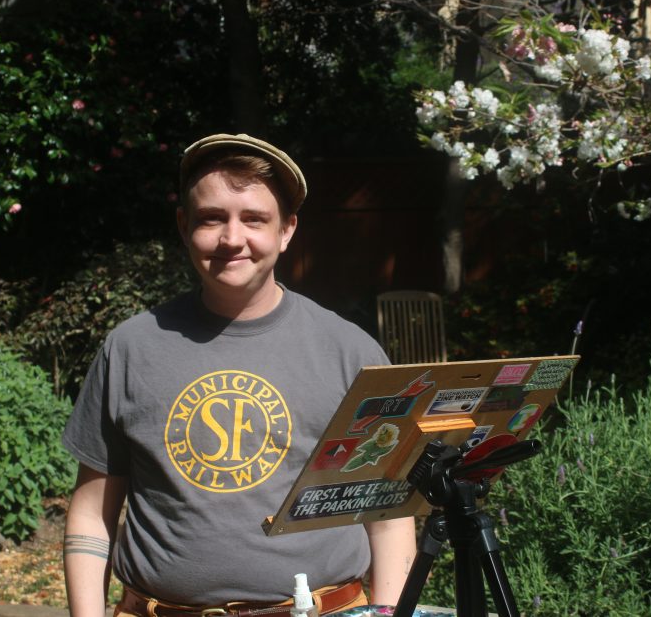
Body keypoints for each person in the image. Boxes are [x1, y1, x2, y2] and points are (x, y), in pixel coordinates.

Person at [62, 133, 416, 617]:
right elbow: (91, 514)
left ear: (286, 230)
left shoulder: (350, 352)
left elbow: (388, 517)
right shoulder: (129, 349)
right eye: (212, 218)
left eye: (254, 219)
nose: (232, 239)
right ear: (184, 226)